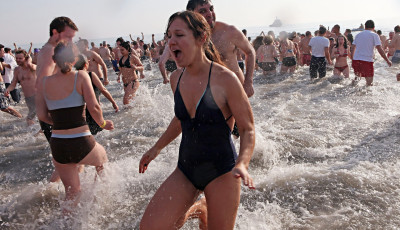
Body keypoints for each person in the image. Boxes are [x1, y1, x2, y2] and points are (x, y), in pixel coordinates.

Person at [139, 11, 255, 230]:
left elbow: (247, 128)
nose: (171, 41)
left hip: (222, 171)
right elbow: (182, 118)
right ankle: (200, 208)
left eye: (179, 35)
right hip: (186, 168)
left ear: (201, 38)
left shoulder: (225, 79)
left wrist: (243, 162)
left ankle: (203, 207)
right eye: (169, 35)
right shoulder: (176, 78)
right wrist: (156, 148)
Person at [36, 42, 114, 209]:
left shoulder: (43, 83)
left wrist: (59, 123)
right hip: (81, 140)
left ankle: (65, 225)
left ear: (54, 59)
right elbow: (94, 107)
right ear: (74, 59)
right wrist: (103, 123)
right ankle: (102, 206)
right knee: (103, 162)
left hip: (58, 144)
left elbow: (41, 115)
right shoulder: (81, 76)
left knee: (72, 193)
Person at [187, 0, 255, 98]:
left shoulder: (229, 32)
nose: (210, 14)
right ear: (191, 14)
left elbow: (250, 51)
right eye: (202, 11)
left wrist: (248, 82)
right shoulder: (189, 39)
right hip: (210, 97)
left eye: (211, 9)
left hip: (236, 92)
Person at [35, 16, 79, 143]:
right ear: (55, 33)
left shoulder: (47, 49)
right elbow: (41, 84)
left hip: (55, 112)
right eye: (69, 36)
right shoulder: (50, 52)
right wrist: (50, 118)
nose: (71, 41)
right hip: (55, 113)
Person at [74, 54, 119, 135]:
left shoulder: (72, 78)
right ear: (85, 64)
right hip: (93, 109)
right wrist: (113, 102)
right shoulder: (90, 75)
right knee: (97, 134)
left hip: (79, 112)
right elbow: (103, 90)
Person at [351, 20, 391, 86]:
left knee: (357, 79)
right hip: (367, 61)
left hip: (356, 60)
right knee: (369, 84)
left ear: (365, 27)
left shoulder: (358, 35)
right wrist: (387, 60)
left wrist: (353, 59)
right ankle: (365, 96)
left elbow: (352, 48)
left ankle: (350, 93)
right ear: (374, 28)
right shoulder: (374, 35)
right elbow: (379, 49)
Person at [5, 49, 37, 126]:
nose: (17, 60)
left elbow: (31, 66)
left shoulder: (32, 67)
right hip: (28, 99)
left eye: (20, 58)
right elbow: (13, 83)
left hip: (38, 96)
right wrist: (8, 90)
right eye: (16, 58)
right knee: (37, 119)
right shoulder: (17, 70)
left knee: (30, 119)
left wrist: (29, 60)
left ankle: (35, 135)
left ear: (25, 58)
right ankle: (40, 134)